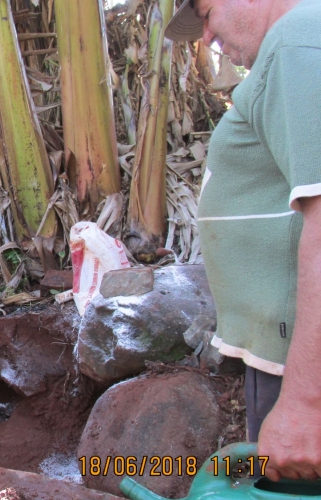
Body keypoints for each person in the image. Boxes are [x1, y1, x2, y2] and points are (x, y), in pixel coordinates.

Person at [165, 0, 321, 482]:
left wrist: (304, 400)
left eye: (206, 14)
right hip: (288, 351)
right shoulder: (294, 44)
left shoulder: (295, 43)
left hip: (302, 362)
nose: (207, 37)